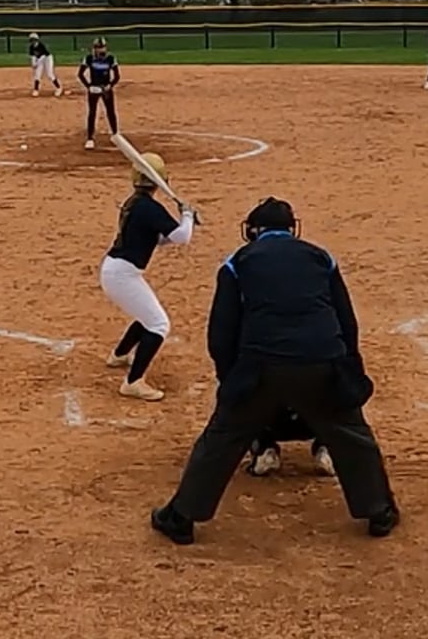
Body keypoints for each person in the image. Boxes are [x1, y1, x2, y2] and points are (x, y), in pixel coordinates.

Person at [149, 197, 399, 546]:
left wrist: (231, 380)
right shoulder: (321, 257)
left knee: (223, 437)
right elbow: (346, 320)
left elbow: (222, 332)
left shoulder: (237, 263)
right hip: (322, 360)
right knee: (351, 434)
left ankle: (181, 517)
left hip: (261, 365)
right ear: (291, 229)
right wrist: (347, 367)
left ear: (253, 231)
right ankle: (379, 511)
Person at [100, 151, 195, 401]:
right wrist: (187, 215)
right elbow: (182, 237)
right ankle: (133, 382)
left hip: (118, 271)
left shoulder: (136, 203)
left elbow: (160, 238)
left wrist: (185, 220)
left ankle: (119, 355)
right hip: (122, 274)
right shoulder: (149, 208)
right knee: (158, 324)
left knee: (147, 315)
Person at [246, 408, 334, 478]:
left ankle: (264, 450)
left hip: (274, 424)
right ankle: (326, 450)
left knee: (250, 398)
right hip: (312, 424)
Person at [78, 38, 120, 149]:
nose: (101, 50)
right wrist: (88, 86)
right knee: (92, 112)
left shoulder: (110, 59)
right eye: (98, 47)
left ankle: (115, 134)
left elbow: (117, 76)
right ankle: (90, 138)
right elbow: (80, 74)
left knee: (110, 111)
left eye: (102, 47)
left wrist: (110, 85)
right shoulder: (89, 58)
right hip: (94, 88)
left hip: (106, 88)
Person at [28, 32, 63, 97]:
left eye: (34, 40)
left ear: (37, 40)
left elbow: (43, 56)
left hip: (47, 59)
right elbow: (33, 56)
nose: (33, 41)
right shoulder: (31, 47)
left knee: (50, 74)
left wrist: (36, 63)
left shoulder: (41, 45)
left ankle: (58, 88)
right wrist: (33, 63)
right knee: (37, 74)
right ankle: (36, 90)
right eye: (31, 40)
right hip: (40, 60)